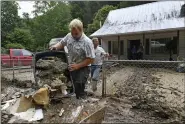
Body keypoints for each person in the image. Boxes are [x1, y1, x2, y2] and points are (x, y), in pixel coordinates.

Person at [50, 19, 95, 99]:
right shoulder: (69, 36)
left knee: (80, 86)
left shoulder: (87, 42)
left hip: (83, 67)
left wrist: (78, 66)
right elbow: (62, 43)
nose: (74, 35)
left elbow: (91, 59)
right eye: (72, 33)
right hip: (72, 65)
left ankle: (82, 103)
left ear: (82, 30)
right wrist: (55, 47)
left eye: (76, 34)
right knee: (71, 86)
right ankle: (74, 102)